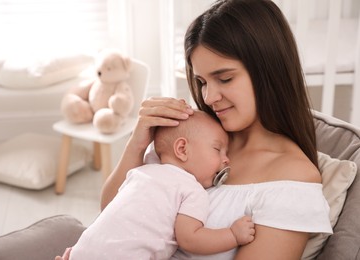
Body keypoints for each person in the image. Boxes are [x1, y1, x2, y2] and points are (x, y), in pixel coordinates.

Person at [99, 0, 333, 259]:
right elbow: (111, 214)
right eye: (201, 82)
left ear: (268, 69)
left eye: (225, 79)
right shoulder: (194, 137)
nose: (209, 97)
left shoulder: (292, 178)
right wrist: (137, 143)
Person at [64, 111, 255, 259]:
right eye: (217, 149)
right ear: (182, 149)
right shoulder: (192, 190)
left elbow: (110, 209)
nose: (227, 160)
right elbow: (190, 238)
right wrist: (232, 235)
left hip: (81, 250)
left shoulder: (141, 171)